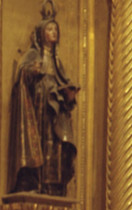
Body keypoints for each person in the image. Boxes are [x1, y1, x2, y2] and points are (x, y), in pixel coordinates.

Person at [8, 3, 79, 196]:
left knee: (55, 146)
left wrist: (68, 96)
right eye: (49, 29)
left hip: (54, 114)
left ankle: (52, 185)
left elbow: (61, 81)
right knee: (39, 144)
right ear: (41, 33)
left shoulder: (57, 62)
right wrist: (31, 72)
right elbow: (22, 76)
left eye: (55, 29)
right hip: (38, 110)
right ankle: (35, 181)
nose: (53, 32)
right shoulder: (33, 55)